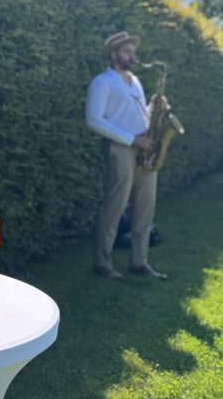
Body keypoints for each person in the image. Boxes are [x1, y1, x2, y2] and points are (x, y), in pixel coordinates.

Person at [86, 31, 168, 280]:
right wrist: (132, 139)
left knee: (145, 207)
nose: (133, 56)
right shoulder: (102, 82)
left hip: (144, 147)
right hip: (121, 148)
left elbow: (140, 116)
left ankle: (140, 261)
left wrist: (155, 107)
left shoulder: (136, 81)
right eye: (127, 51)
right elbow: (93, 120)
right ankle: (103, 263)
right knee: (115, 205)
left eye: (133, 51)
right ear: (113, 55)